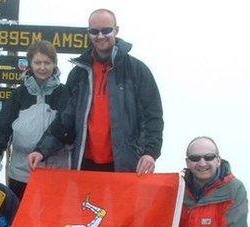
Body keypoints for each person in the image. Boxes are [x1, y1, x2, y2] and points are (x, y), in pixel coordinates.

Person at [28, 8, 163, 173]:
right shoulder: (79, 73)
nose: (100, 36)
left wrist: (150, 153)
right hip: (85, 164)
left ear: (116, 30)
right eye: (94, 31)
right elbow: (64, 120)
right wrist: (42, 150)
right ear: (89, 33)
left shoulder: (137, 70)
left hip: (126, 165)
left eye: (106, 30)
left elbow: (153, 117)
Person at [0, 40, 70, 199]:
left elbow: (68, 128)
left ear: (54, 64)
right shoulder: (19, 95)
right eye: (37, 62)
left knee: (53, 221)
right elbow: (1, 131)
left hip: (57, 173)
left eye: (47, 63)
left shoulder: (65, 93)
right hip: (22, 175)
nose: (42, 67)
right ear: (30, 64)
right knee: (22, 220)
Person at [174, 136, 248, 227]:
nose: (202, 163)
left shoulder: (234, 189)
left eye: (209, 157)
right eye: (195, 158)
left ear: (218, 160)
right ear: (187, 162)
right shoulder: (175, 187)